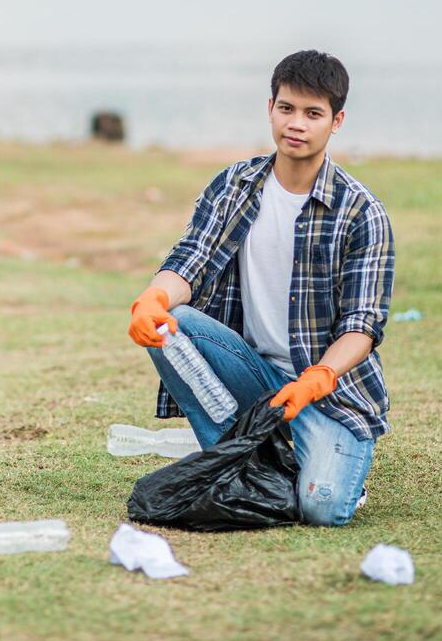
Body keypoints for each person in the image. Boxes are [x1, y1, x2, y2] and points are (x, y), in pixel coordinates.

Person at [128, 50, 395, 527]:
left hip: (326, 392)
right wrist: (153, 300)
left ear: (336, 121)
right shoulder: (235, 185)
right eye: (287, 108)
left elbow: (363, 325)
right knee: (175, 325)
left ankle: (310, 469)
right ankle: (240, 463)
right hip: (250, 371)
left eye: (313, 114)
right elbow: (190, 259)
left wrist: (318, 378)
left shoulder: (361, 213)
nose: (297, 124)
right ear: (270, 106)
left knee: (321, 508)